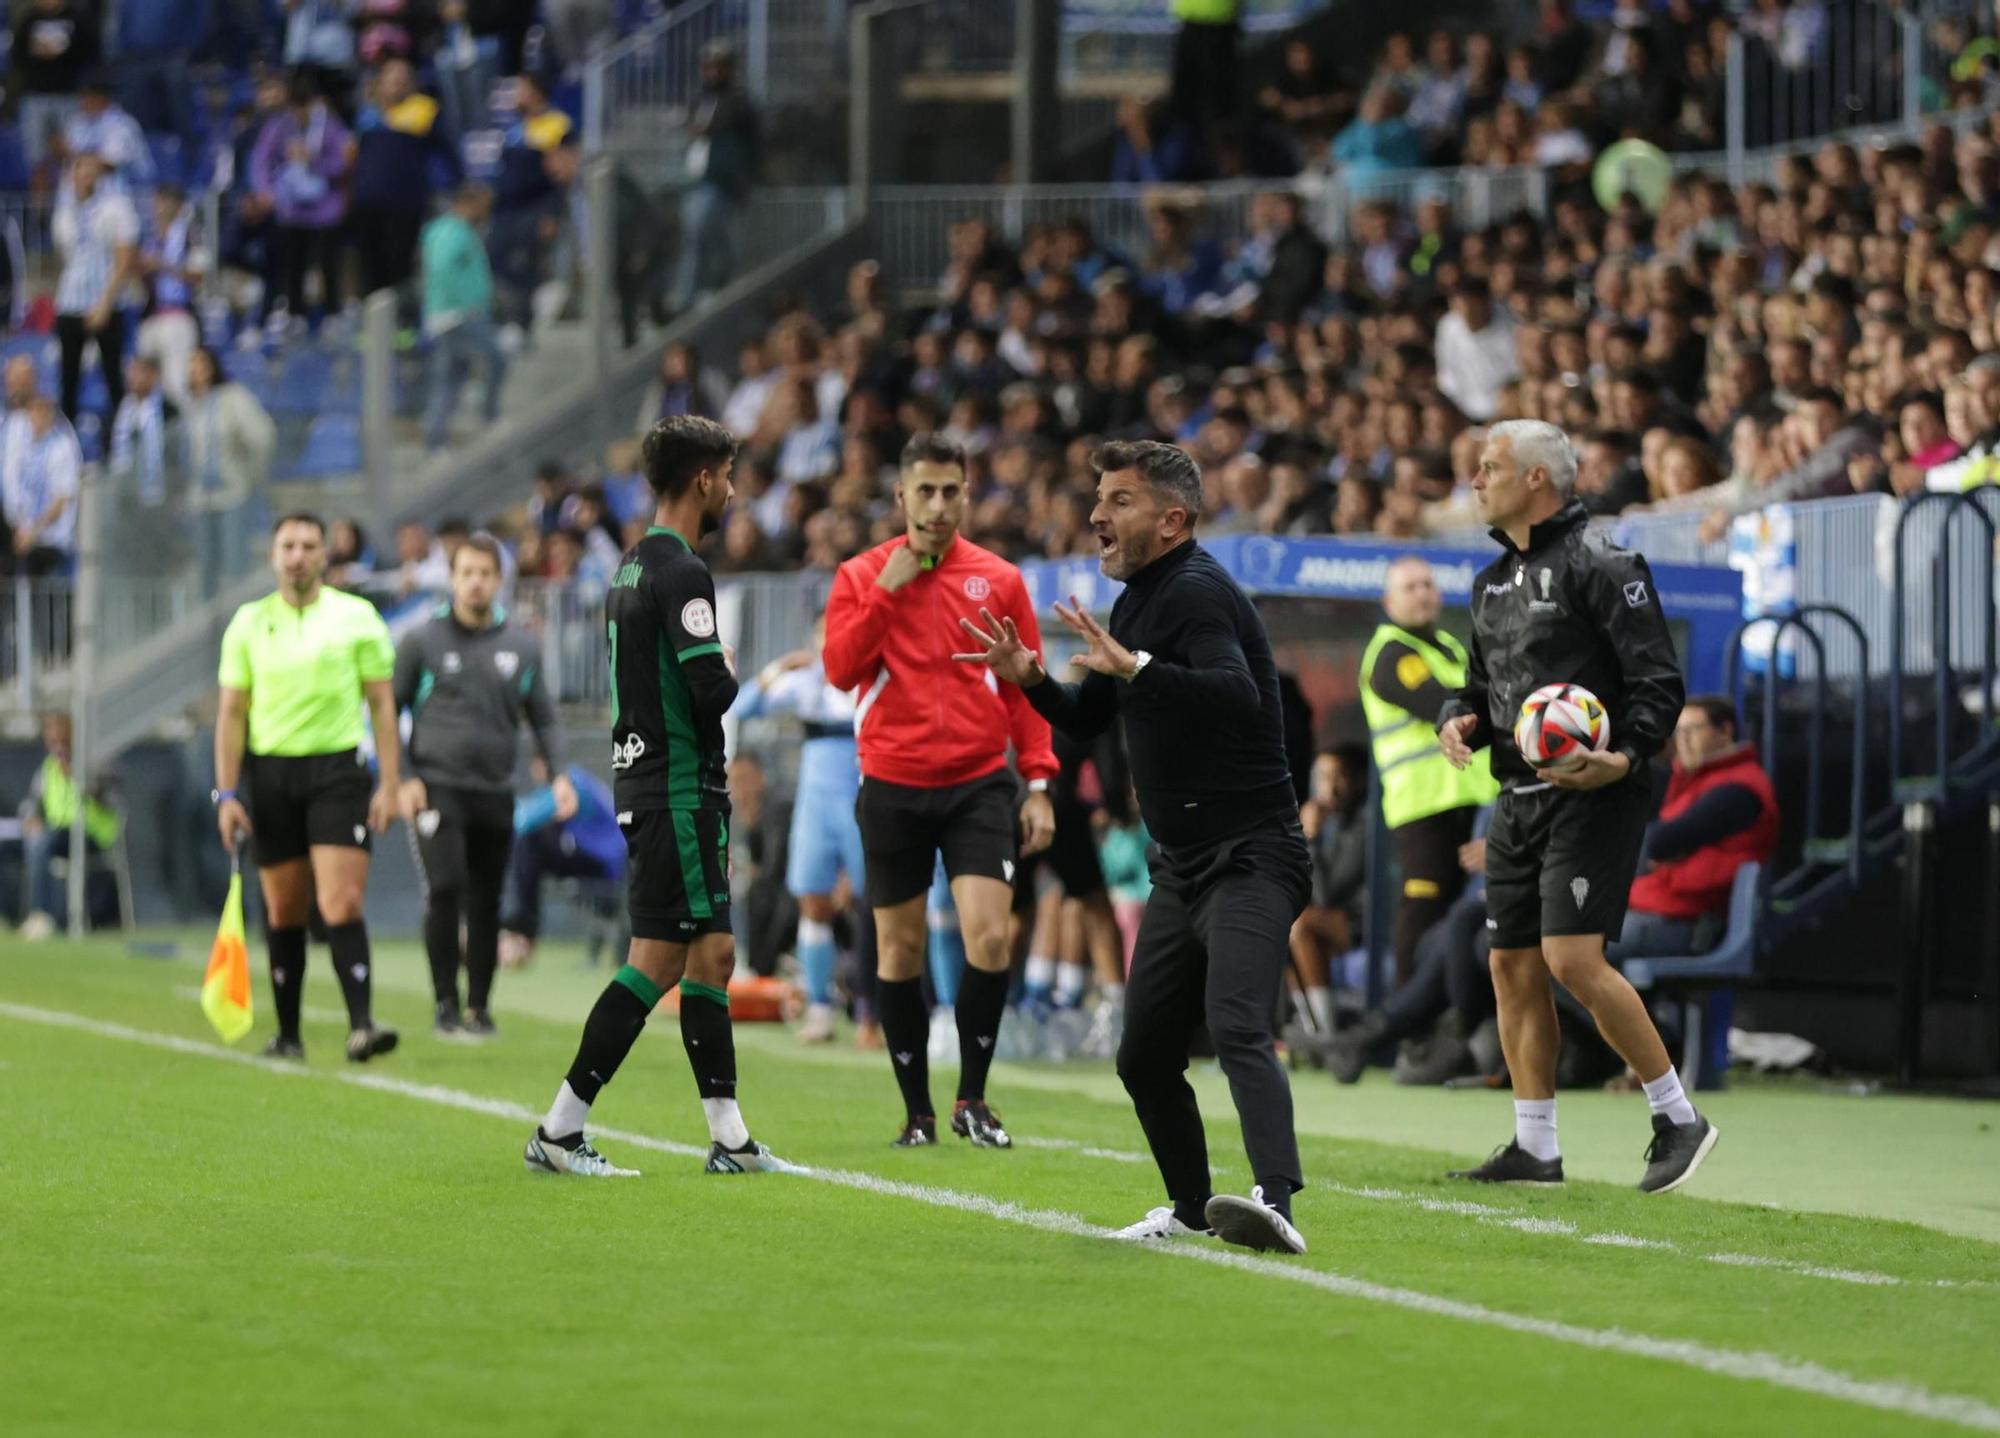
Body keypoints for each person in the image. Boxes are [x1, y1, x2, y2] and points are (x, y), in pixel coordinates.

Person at [956, 439, 1312, 1255]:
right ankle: (1190, 1209)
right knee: (1144, 1053)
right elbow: (1088, 718)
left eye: (1119, 500)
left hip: (1252, 852)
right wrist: (1031, 677)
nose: (1096, 515)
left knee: (1236, 1025)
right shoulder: (1142, 599)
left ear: (1173, 518)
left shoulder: (1194, 592)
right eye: (1100, 499)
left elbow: (1237, 692)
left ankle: (1276, 1200)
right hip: (1183, 866)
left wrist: (1141, 667)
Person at [1436, 418, 1715, 1193]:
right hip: (1516, 800)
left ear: (1535, 480)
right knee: (1511, 965)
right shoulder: (1489, 584)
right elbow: (1476, 686)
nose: (1476, 481)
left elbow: (1659, 683)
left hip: (1597, 792)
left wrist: (1621, 757)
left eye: (1489, 467)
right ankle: (1536, 1149)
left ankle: (1678, 1115)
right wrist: (1455, 718)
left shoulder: (1606, 562)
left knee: (1570, 959)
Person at [524, 415, 789, 1178]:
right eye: (729, 476)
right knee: (658, 962)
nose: (734, 490)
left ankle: (730, 1139)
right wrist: (731, 664)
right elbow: (711, 690)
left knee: (714, 953)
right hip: (677, 786)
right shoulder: (681, 571)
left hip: (654, 781)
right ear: (704, 478)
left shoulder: (631, 567)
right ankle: (560, 1128)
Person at [821, 432, 1059, 1150]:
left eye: (950, 490)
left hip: (979, 783)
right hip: (892, 783)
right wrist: (887, 593)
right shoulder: (860, 576)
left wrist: (1039, 781)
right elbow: (839, 669)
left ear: (966, 494)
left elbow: (1026, 686)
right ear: (900, 496)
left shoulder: (1000, 579)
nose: (937, 504)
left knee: (990, 934)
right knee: (899, 952)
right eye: (923, 490)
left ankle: (973, 1099)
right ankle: (918, 1113)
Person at [213, 512, 403, 1064]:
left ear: (325, 555)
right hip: (270, 774)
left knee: (340, 899)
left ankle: (362, 1025)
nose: (297, 555)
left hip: (338, 771)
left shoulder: (357, 617)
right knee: (284, 909)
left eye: (308, 545)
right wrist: (226, 795)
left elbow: (383, 704)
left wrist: (390, 783)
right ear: (274, 556)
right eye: (288, 545)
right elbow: (230, 714)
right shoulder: (247, 624)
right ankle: (288, 1035)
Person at [393, 534, 568, 1037]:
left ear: (499, 580)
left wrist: (559, 775)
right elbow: (388, 711)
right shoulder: (422, 641)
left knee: (488, 898)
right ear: (452, 579)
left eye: (485, 573)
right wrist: (402, 777)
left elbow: (545, 720)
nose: (475, 582)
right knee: (446, 888)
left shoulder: (521, 645)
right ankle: (445, 1002)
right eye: (466, 572)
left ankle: (480, 1007)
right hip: (436, 785)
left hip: (495, 789)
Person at [1360, 556, 1499, 988]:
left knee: (1467, 917)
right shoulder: (1391, 653)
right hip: (1425, 808)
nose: (1422, 593)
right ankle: (1410, 1030)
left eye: (1427, 585)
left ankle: (1446, 1023)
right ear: (1388, 600)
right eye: (1410, 587)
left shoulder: (1448, 646)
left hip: (1470, 800)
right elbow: (1440, 704)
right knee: (1423, 912)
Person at [733, 619, 864, 1044]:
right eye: (821, 635)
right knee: (813, 901)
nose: (826, 642)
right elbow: (746, 705)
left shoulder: (867, 679)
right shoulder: (807, 681)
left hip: (862, 794)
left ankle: (873, 1014)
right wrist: (781, 666)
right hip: (817, 801)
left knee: (874, 903)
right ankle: (821, 1009)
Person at [1614, 696, 1779, 960]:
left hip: (1687, 923)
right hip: (1659, 908)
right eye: (1679, 732)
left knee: (1565, 947)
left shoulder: (1738, 789)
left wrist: (1665, 853)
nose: (1683, 741)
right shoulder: (1698, 781)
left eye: (1692, 730)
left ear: (1725, 732)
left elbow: (1659, 842)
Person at [669, 40, 759, 315]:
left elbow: (738, 135)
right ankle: (710, 287)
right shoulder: (699, 98)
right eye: (707, 65)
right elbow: (690, 129)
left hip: (720, 180)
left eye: (718, 65)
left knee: (700, 232)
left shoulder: (738, 100)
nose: (711, 71)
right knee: (705, 238)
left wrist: (708, 130)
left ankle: (687, 295)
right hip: (693, 178)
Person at [15, 710, 120, 938]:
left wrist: (78, 776)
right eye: (51, 736)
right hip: (59, 834)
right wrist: (30, 818)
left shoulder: (95, 761)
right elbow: (30, 803)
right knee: (29, 841)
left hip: (93, 834)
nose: (56, 742)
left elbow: (112, 800)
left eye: (60, 735)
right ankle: (29, 915)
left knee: (40, 843)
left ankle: (41, 914)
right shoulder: (48, 769)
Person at [51, 149, 138, 425]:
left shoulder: (116, 207)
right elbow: (65, 256)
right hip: (70, 301)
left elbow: (124, 259)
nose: (85, 174)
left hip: (106, 302)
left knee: (113, 376)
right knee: (68, 379)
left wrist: (104, 303)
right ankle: (69, 444)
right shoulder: (64, 211)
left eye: (91, 168)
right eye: (80, 168)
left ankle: (121, 442)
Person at [181, 345, 278, 594]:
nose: (195, 370)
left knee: (235, 563)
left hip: (232, 492)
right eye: (192, 364)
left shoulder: (232, 397)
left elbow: (261, 435)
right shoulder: (191, 407)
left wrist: (251, 471)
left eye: (201, 363)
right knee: (206, 567)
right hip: (202, 498)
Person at [420, 183, 507, 449]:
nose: (485, 212)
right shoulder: (452, 231)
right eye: (482, 206)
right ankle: (489, 417)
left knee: (452, 377)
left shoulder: (446, 229)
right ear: (469, 203)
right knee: (496, 358)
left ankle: (435, 437)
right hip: (458, 314)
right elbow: (443, 268)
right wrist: (465, 303)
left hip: (447, 314)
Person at [135, 184, 206, 409]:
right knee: (142, 386)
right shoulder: (150, 237)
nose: (160, 207)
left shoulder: (190, 236)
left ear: (178, 206)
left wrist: (164, 265)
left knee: (177, 386)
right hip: (150, 316)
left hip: (178, 316)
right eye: (158, 201)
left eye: (166, 201)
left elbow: (197, 274)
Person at [2, 391, 82, 578]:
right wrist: (18, 527)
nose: (39, 416)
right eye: (35, 410)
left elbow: (61, 501)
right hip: (21, 532)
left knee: (33, 565)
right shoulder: (21, 445)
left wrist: (34, 531)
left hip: (50, 537)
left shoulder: (63, 448)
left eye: (44, 410)